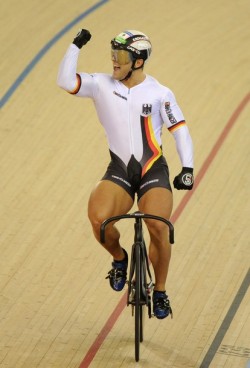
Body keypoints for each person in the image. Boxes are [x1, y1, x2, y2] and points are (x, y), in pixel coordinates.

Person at [57, 29, 194, 319]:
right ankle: (120, 258)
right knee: (100, 221)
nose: (114, 63)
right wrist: (75, 45)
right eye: (113, 55)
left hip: (152, 170)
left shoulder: (160, 93)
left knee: (158, 227)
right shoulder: (100, 84)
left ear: (138, 61)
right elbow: (65, 81)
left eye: (120, 57)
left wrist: (187, 169)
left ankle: (160, 291)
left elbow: (179, 130)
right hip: (119, 169)